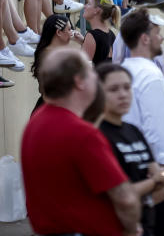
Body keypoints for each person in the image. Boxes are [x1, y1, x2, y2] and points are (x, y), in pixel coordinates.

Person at [21, 47, 141, 236]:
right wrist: (133, 229)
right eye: (92, 72)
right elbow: (125, 198)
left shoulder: (34, 124)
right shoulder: (82, 134)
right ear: (79, 81)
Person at [120, 9, 164, 235]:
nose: (161, 37)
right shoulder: (151, 76)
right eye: (158, 32)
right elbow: (161, 137)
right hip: (151, 180)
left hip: (125, 173)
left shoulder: (121, 72)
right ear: (145, 38)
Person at [96, 63, 164, 236]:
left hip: (142, 225)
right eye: (114, 89)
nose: (123, 94)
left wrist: (148, 186)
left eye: (126, 87)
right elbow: (120, 195)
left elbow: (161, 184)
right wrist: (152, 182)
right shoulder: (97, 135)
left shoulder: (134, 130)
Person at [82, 0, 121, 66]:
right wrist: (82, 41)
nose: (84, 6)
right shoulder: (111, 33)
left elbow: (83, 68)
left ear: (97, 10)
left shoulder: (92, 36)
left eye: (89, 4)